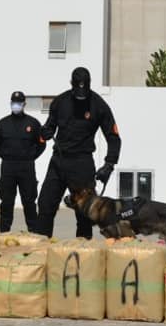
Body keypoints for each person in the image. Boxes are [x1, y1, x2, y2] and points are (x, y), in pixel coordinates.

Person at [36, 67, 121, 238]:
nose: (81, 95)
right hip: (59, 161)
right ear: (71, 84)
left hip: (82, 163)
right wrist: (45, 132)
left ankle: (83, 250)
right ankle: (42, 246)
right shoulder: (60, 102)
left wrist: (109, 164)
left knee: (84, 214)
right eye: (78, 91)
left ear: (89, 85)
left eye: (84, 91)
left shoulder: (98, 105)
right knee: (45, 204)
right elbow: (49, 127)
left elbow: (113, 137)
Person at [0, 91, 46, 233]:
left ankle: (33, 233)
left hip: (26, 167)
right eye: (14, 102)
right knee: (6, 202)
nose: (16, 105)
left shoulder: (33, 123)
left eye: (19, 103)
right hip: (8, 167)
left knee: (29, 202)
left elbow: (41, 144)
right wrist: (7, 156)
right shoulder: (2, 124)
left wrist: (30, 157)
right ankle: (4, 233)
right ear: (11, 103)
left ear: (24, 104)